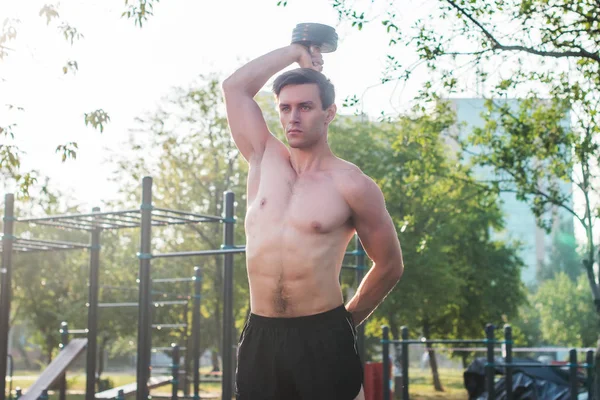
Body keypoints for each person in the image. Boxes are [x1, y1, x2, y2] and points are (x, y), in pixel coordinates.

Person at [222, 41, 404, 400]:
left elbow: (390, 265)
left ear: (329, 113)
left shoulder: (352, 184)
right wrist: (295, 51)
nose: (293, 117)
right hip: (261, 335)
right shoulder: (263, 158)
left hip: (324, 336)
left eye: (305, 107)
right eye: (285, 108)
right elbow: (234, 88)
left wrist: (345, 322)